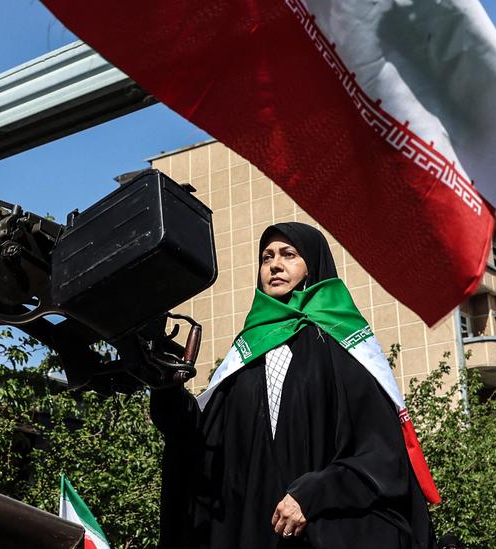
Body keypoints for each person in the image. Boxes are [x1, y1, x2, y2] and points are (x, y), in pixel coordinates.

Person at [150, 222, 438, 548]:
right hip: (253, 532)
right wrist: (165, 387)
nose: (275, 264)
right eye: (266, 257)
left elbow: (381, 455)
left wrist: (315, 493)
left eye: (289, 255)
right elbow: (199, 443)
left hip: (323, 534)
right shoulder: (246, 354)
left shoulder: (344, 348)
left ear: (312, 267)